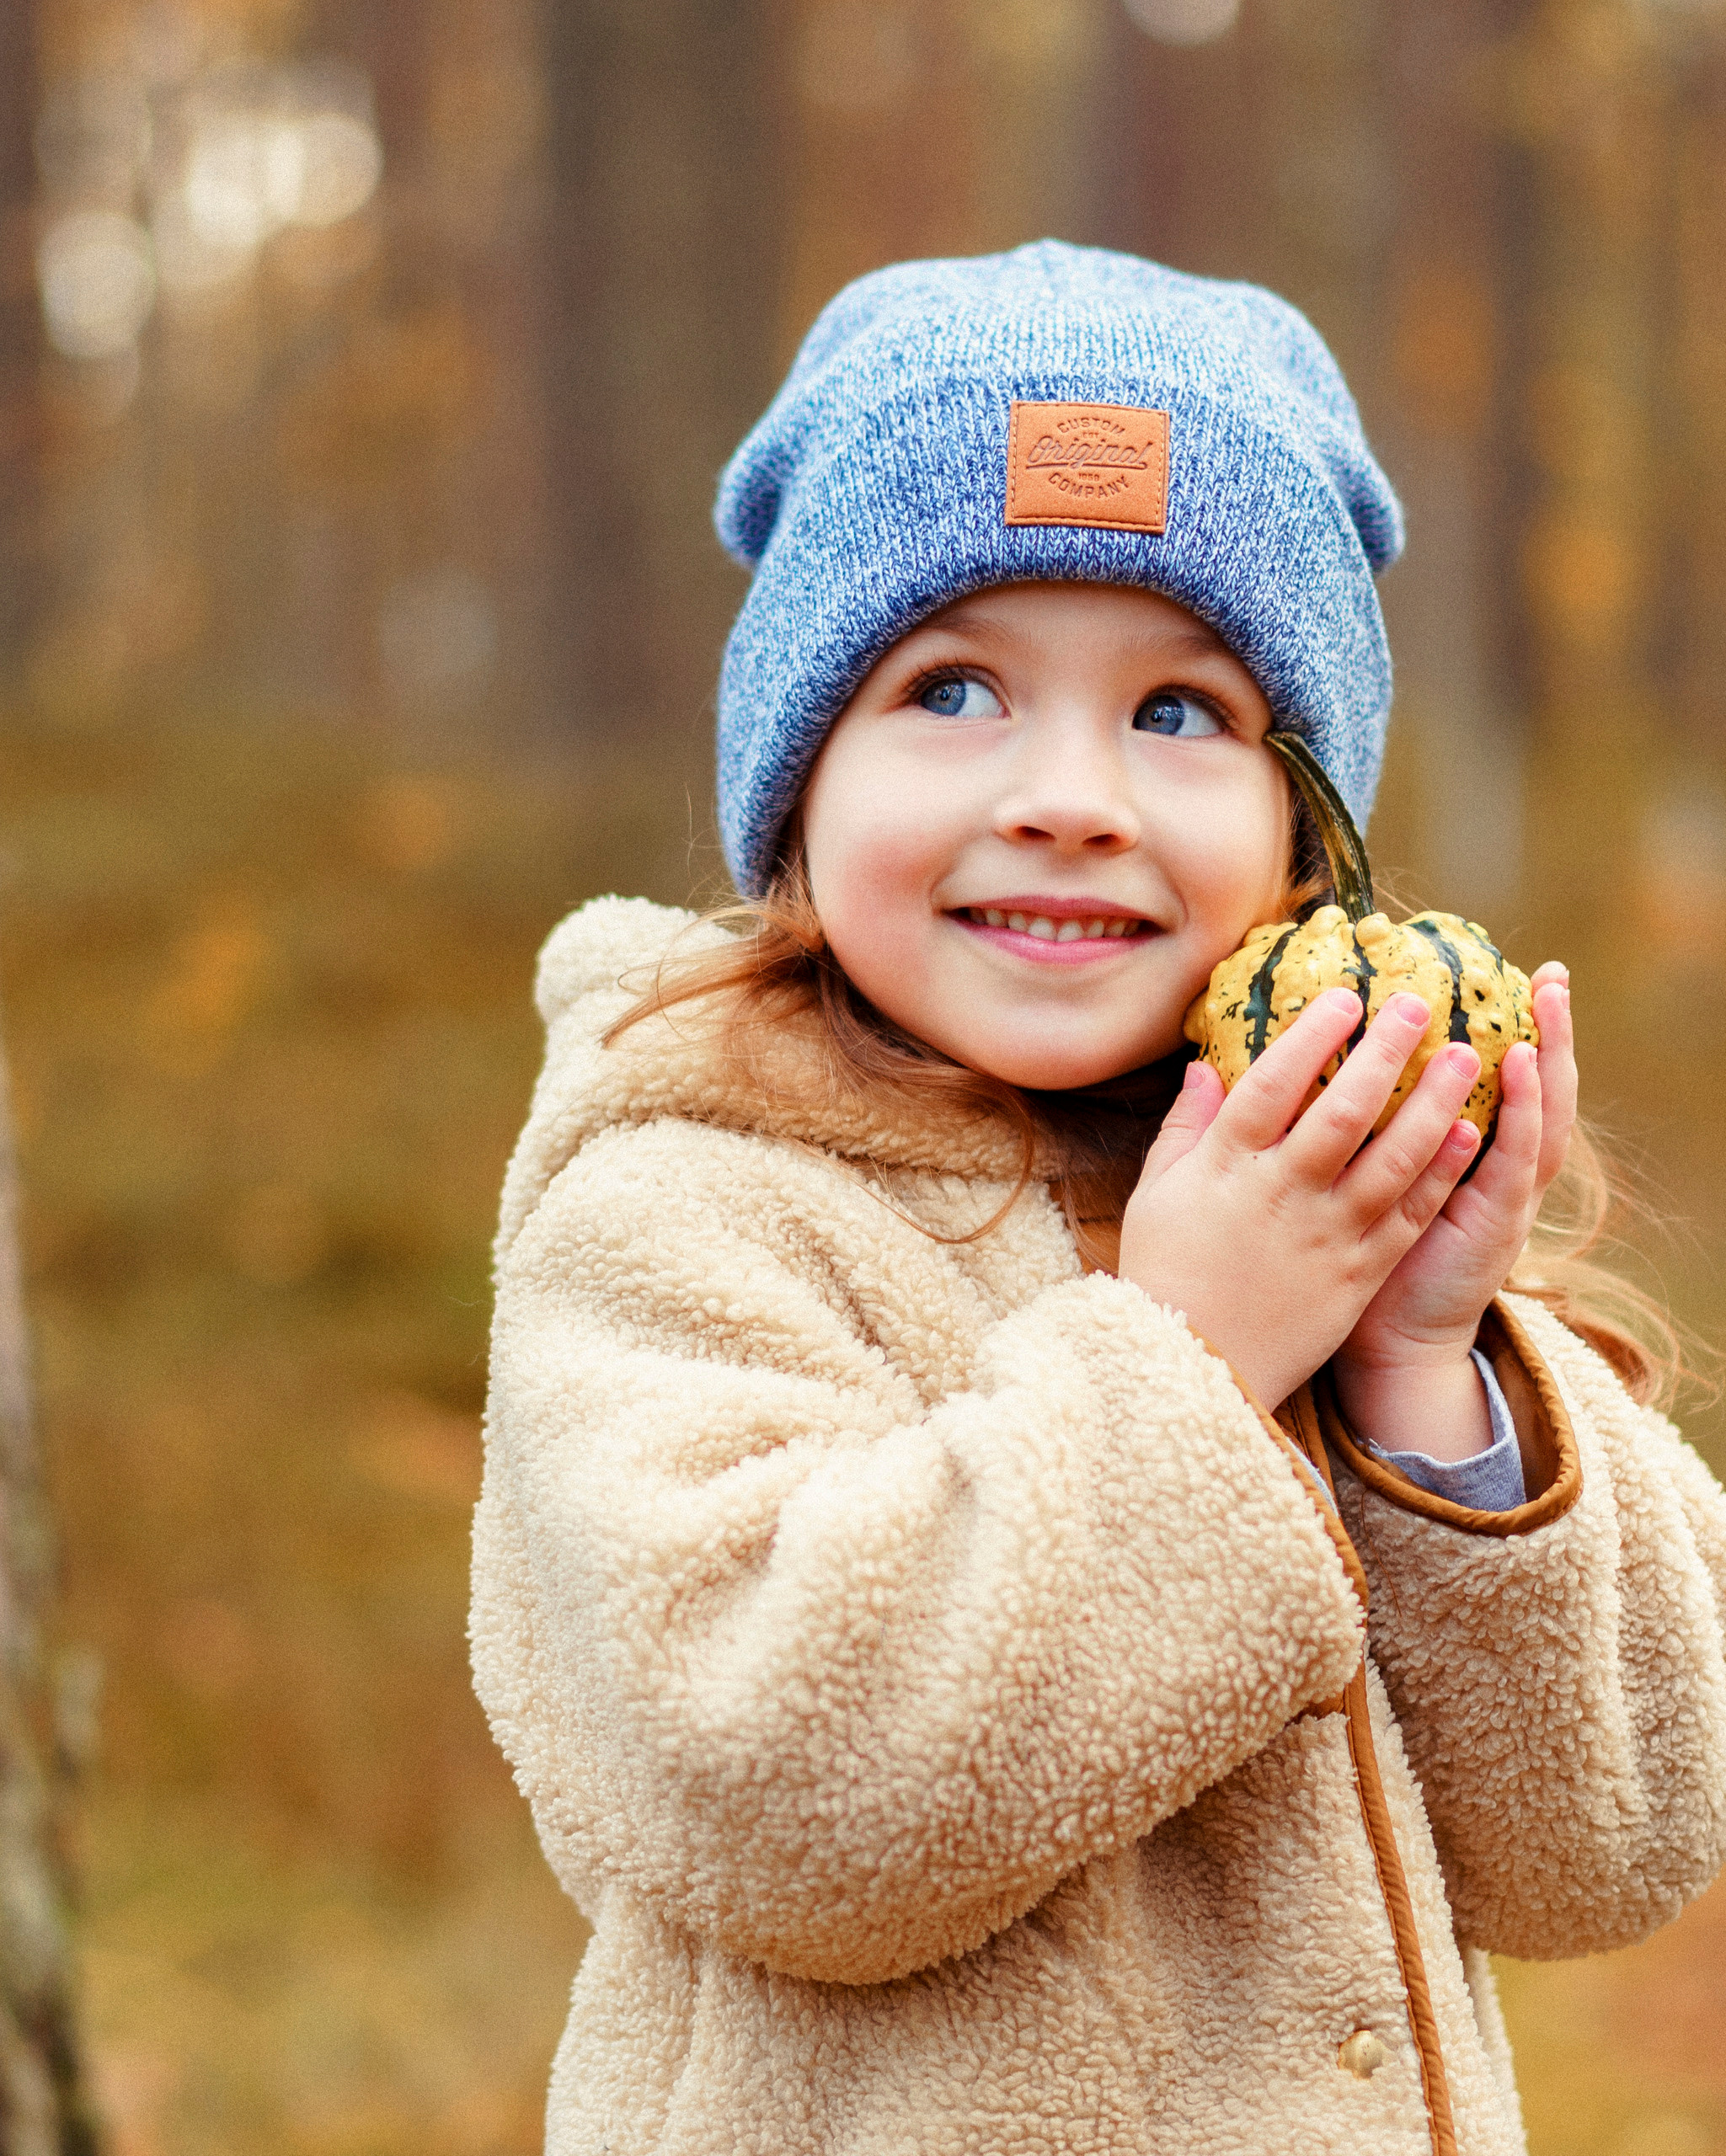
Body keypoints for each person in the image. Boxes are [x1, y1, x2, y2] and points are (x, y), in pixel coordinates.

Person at [470, 243, 1726, 2156]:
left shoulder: (1315, 1200)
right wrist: (1190, 1359)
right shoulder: (684, 1205)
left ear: (1306, 835)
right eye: (952, 685)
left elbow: (1611, 1848)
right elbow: (769, 1791)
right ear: (798, 774)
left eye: (1176, 714)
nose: (1068, 793)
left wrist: (1424, 1369)